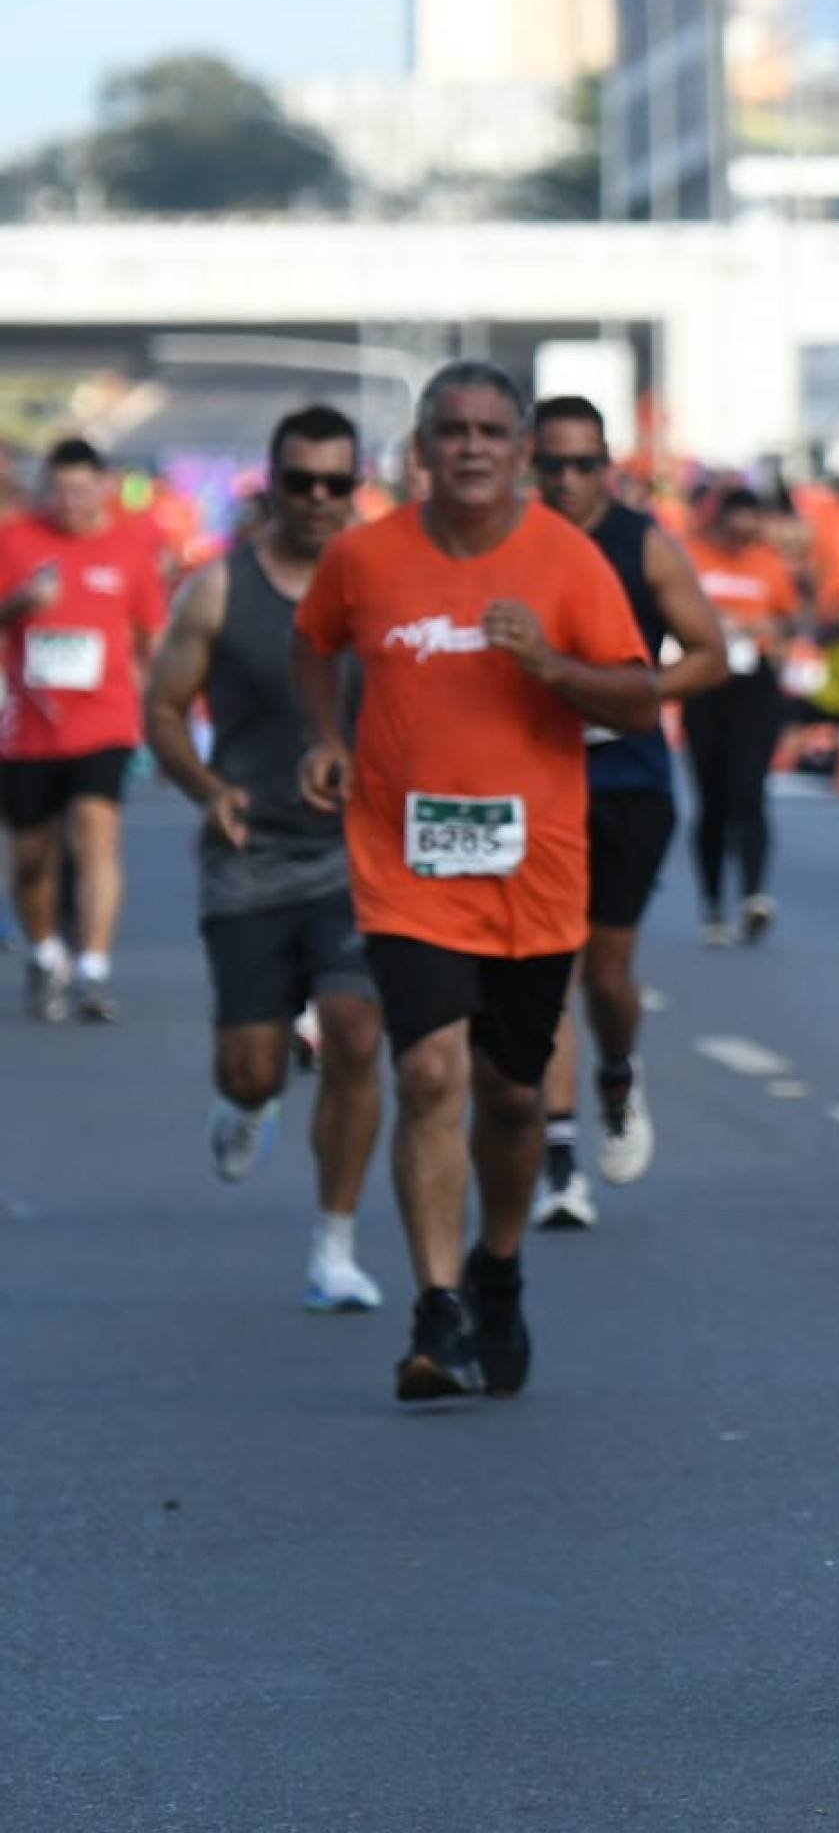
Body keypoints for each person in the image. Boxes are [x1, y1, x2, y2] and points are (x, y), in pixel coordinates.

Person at [293, 361, 656, 1402]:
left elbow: (636, 701)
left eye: (492, 430)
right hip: (406, 868)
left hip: (533, 874)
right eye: (450, 430)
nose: (471, 447)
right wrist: (324, 737)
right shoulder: (365, 557)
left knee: (507, 1096)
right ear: (422, 447)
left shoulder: (569, 561)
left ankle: (497, 1267)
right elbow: (311, 641)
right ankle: (438, 1310)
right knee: (431, 1075)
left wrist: (551, 665)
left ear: (520, 450)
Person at [142, 405, 386, 1310]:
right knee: (250, 1067)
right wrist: (209, 791)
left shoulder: (386, 582)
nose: (319, 501)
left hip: (360, 853)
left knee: (358, 1033)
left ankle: (336, 1247)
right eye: (301, 483)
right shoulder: (218, 589)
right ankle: (246, 1105)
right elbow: (163, 709)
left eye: (336, 483)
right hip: (251, 851)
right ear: (272, 486)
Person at [524, 396, 725, 1231]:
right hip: (535, 781)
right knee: (549, 971)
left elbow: (712, 654)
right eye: (553, 466)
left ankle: (618, 1073)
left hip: (627, 785)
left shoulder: (644, 544)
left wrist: (640, 692)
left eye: (584, 464)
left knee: (606, 976)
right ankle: (560, 1164)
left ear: (609, 464)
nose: (569, 482)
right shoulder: (509, 542)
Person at [0, 439, 168, 1022]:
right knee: (32, 856)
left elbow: (153, 637)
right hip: (28, 729)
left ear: (103, 487)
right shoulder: (15, 539)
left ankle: (94, 969)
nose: (70, 502)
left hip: (106, 721)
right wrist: (19, 605)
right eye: (60, 490)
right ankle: (47, 952)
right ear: (46, 489)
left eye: (81, 489)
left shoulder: (130, 546)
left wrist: (160, 714)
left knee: (96, 832)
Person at [683, 486, 801, 945]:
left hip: (753, 685)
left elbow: (792, 617)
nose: (741, 531)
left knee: (748, 789)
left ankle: (753, 894)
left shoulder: (769, 564)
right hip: (704, 684)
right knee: (712, 799)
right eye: (734, 520)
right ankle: (712, 903)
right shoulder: (693, 558)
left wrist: (764, 627)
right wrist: (715, 624)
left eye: (750, 521)